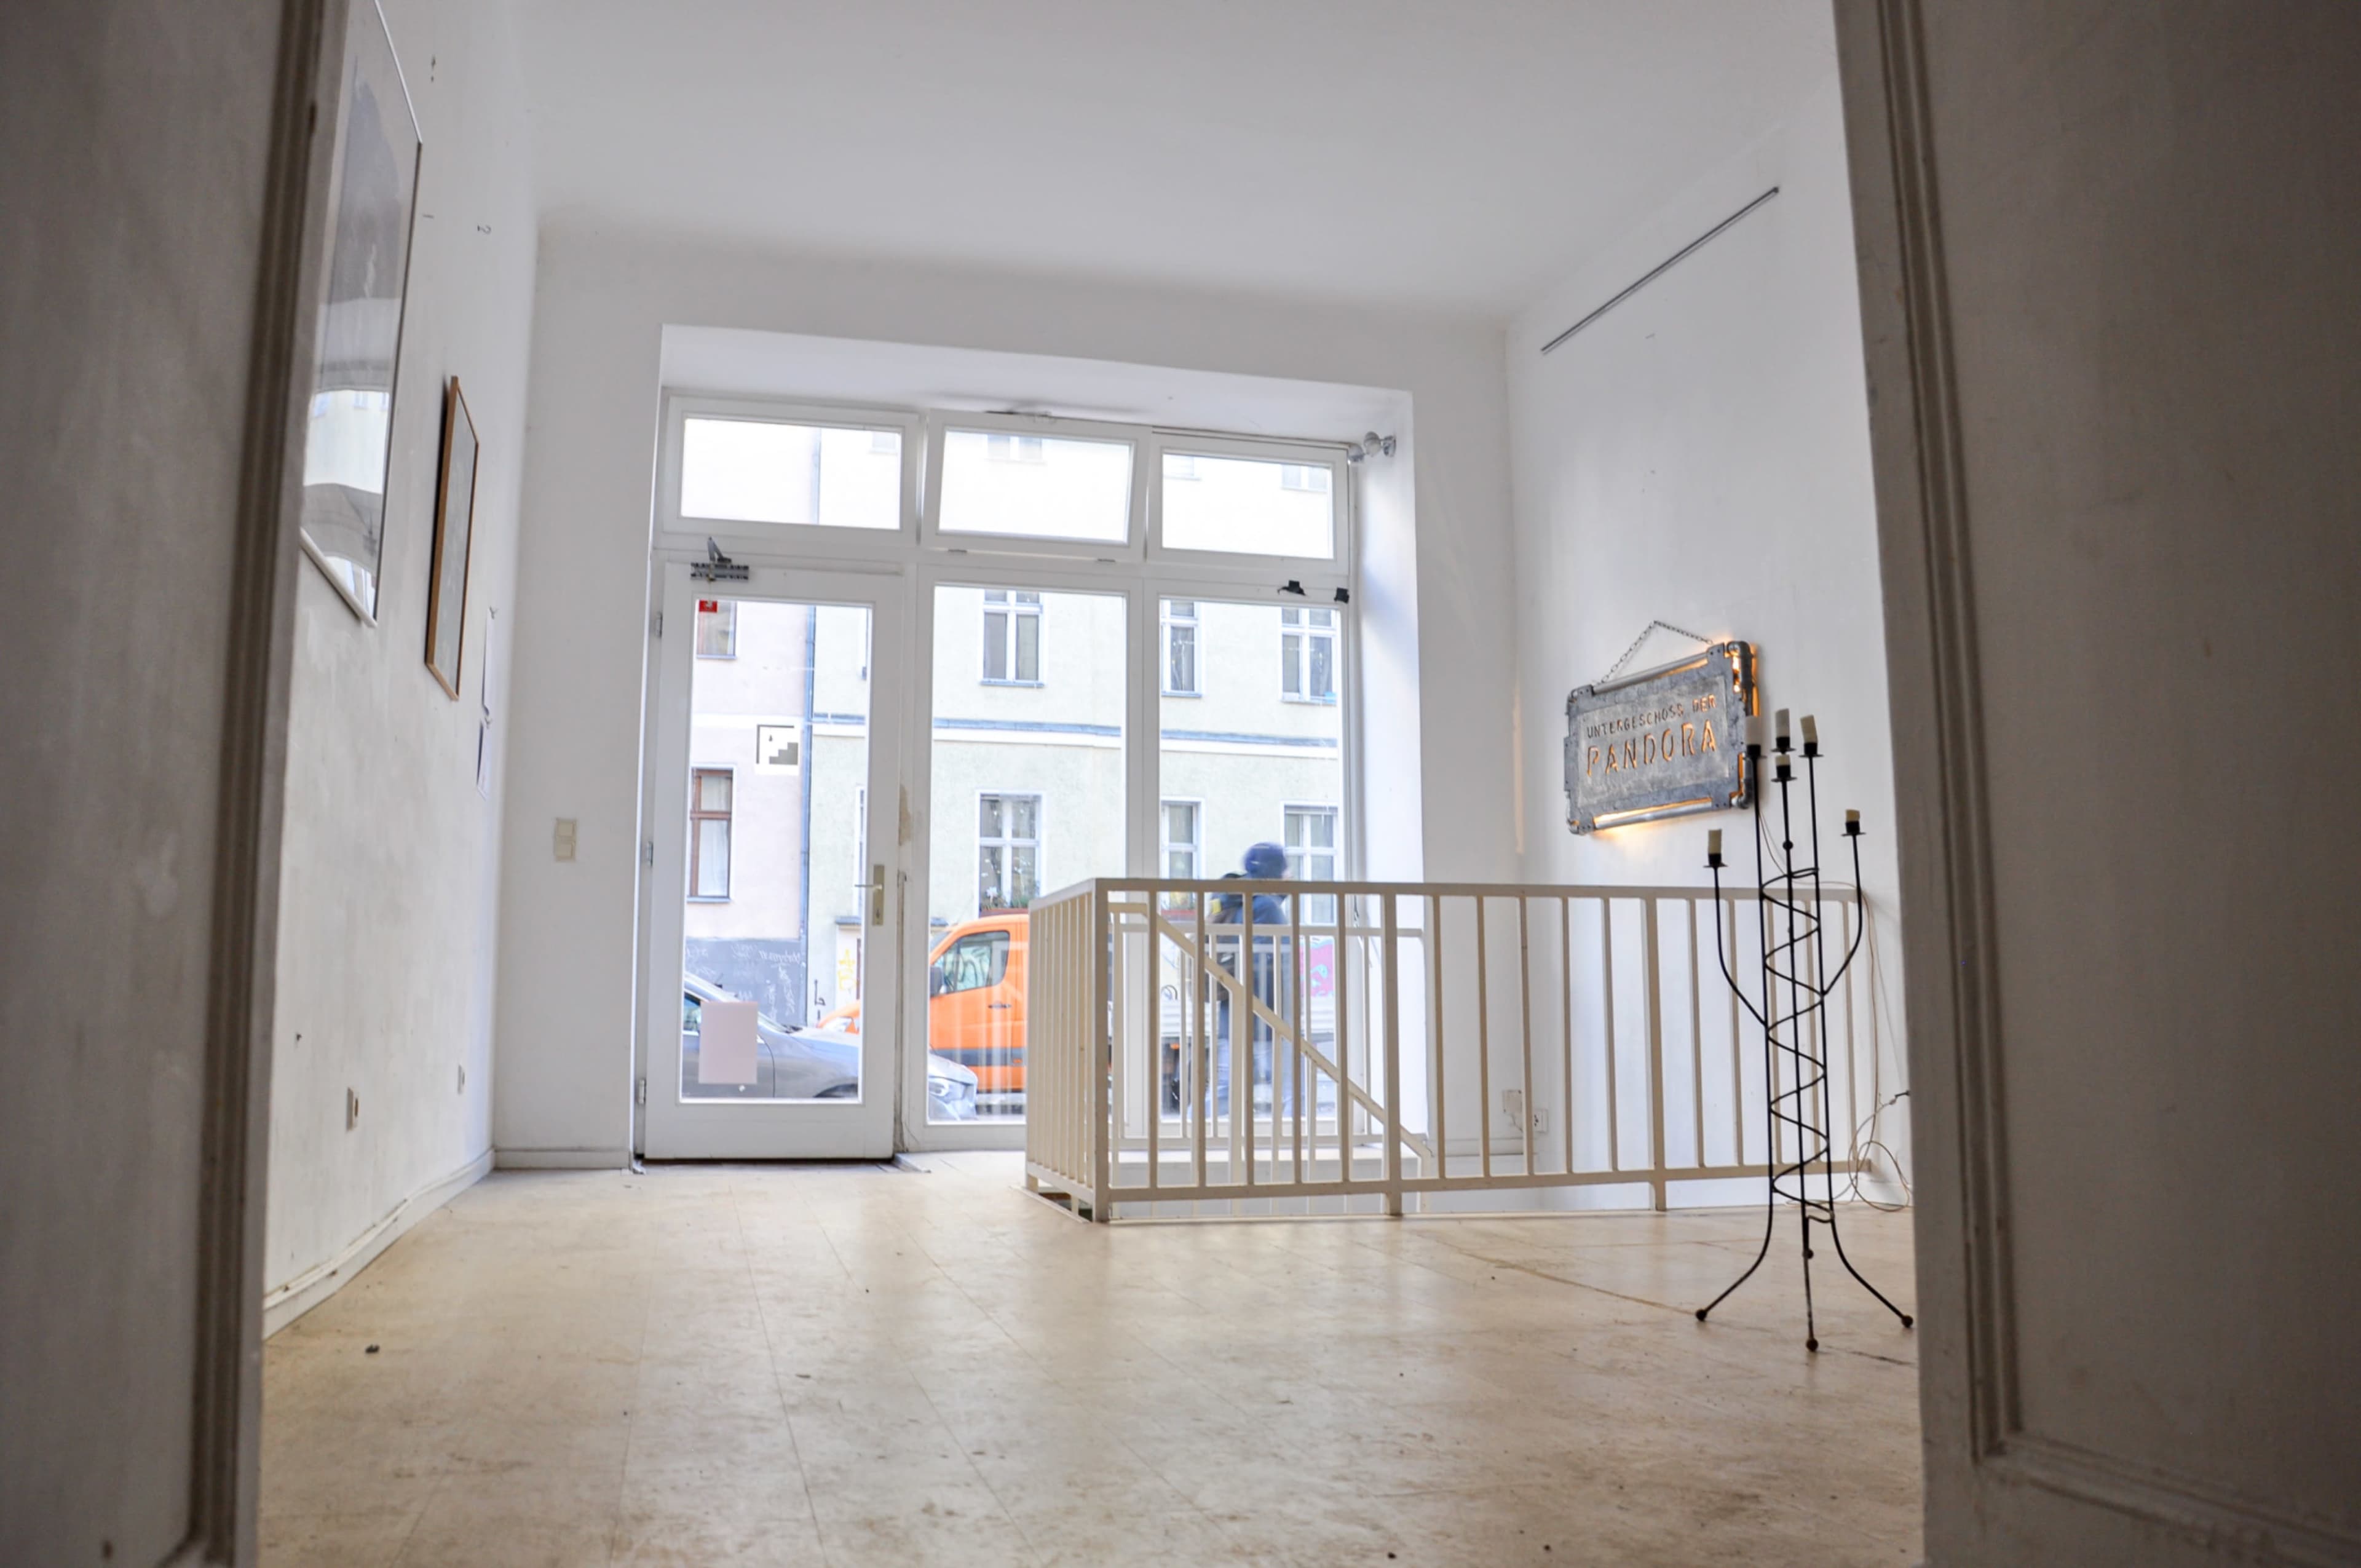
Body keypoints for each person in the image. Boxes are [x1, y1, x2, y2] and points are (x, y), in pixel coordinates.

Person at [1211, 842, 1291, 1119]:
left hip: (1231, 1011)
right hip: (1268, 1014)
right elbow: (1280, 959)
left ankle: (1202, 1134)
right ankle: (1296, 1141)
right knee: (1291, 1088)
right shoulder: (1266, 906)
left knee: (1226, 1088)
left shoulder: (1232, 900)